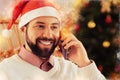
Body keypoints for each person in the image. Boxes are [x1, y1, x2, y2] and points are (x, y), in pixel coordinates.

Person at [0, 0, 106, 80]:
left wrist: (85, 63)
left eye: (54, 27)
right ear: (23, 29)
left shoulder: (72, 69)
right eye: (40, 26)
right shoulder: (4, 71)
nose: (48, 34)